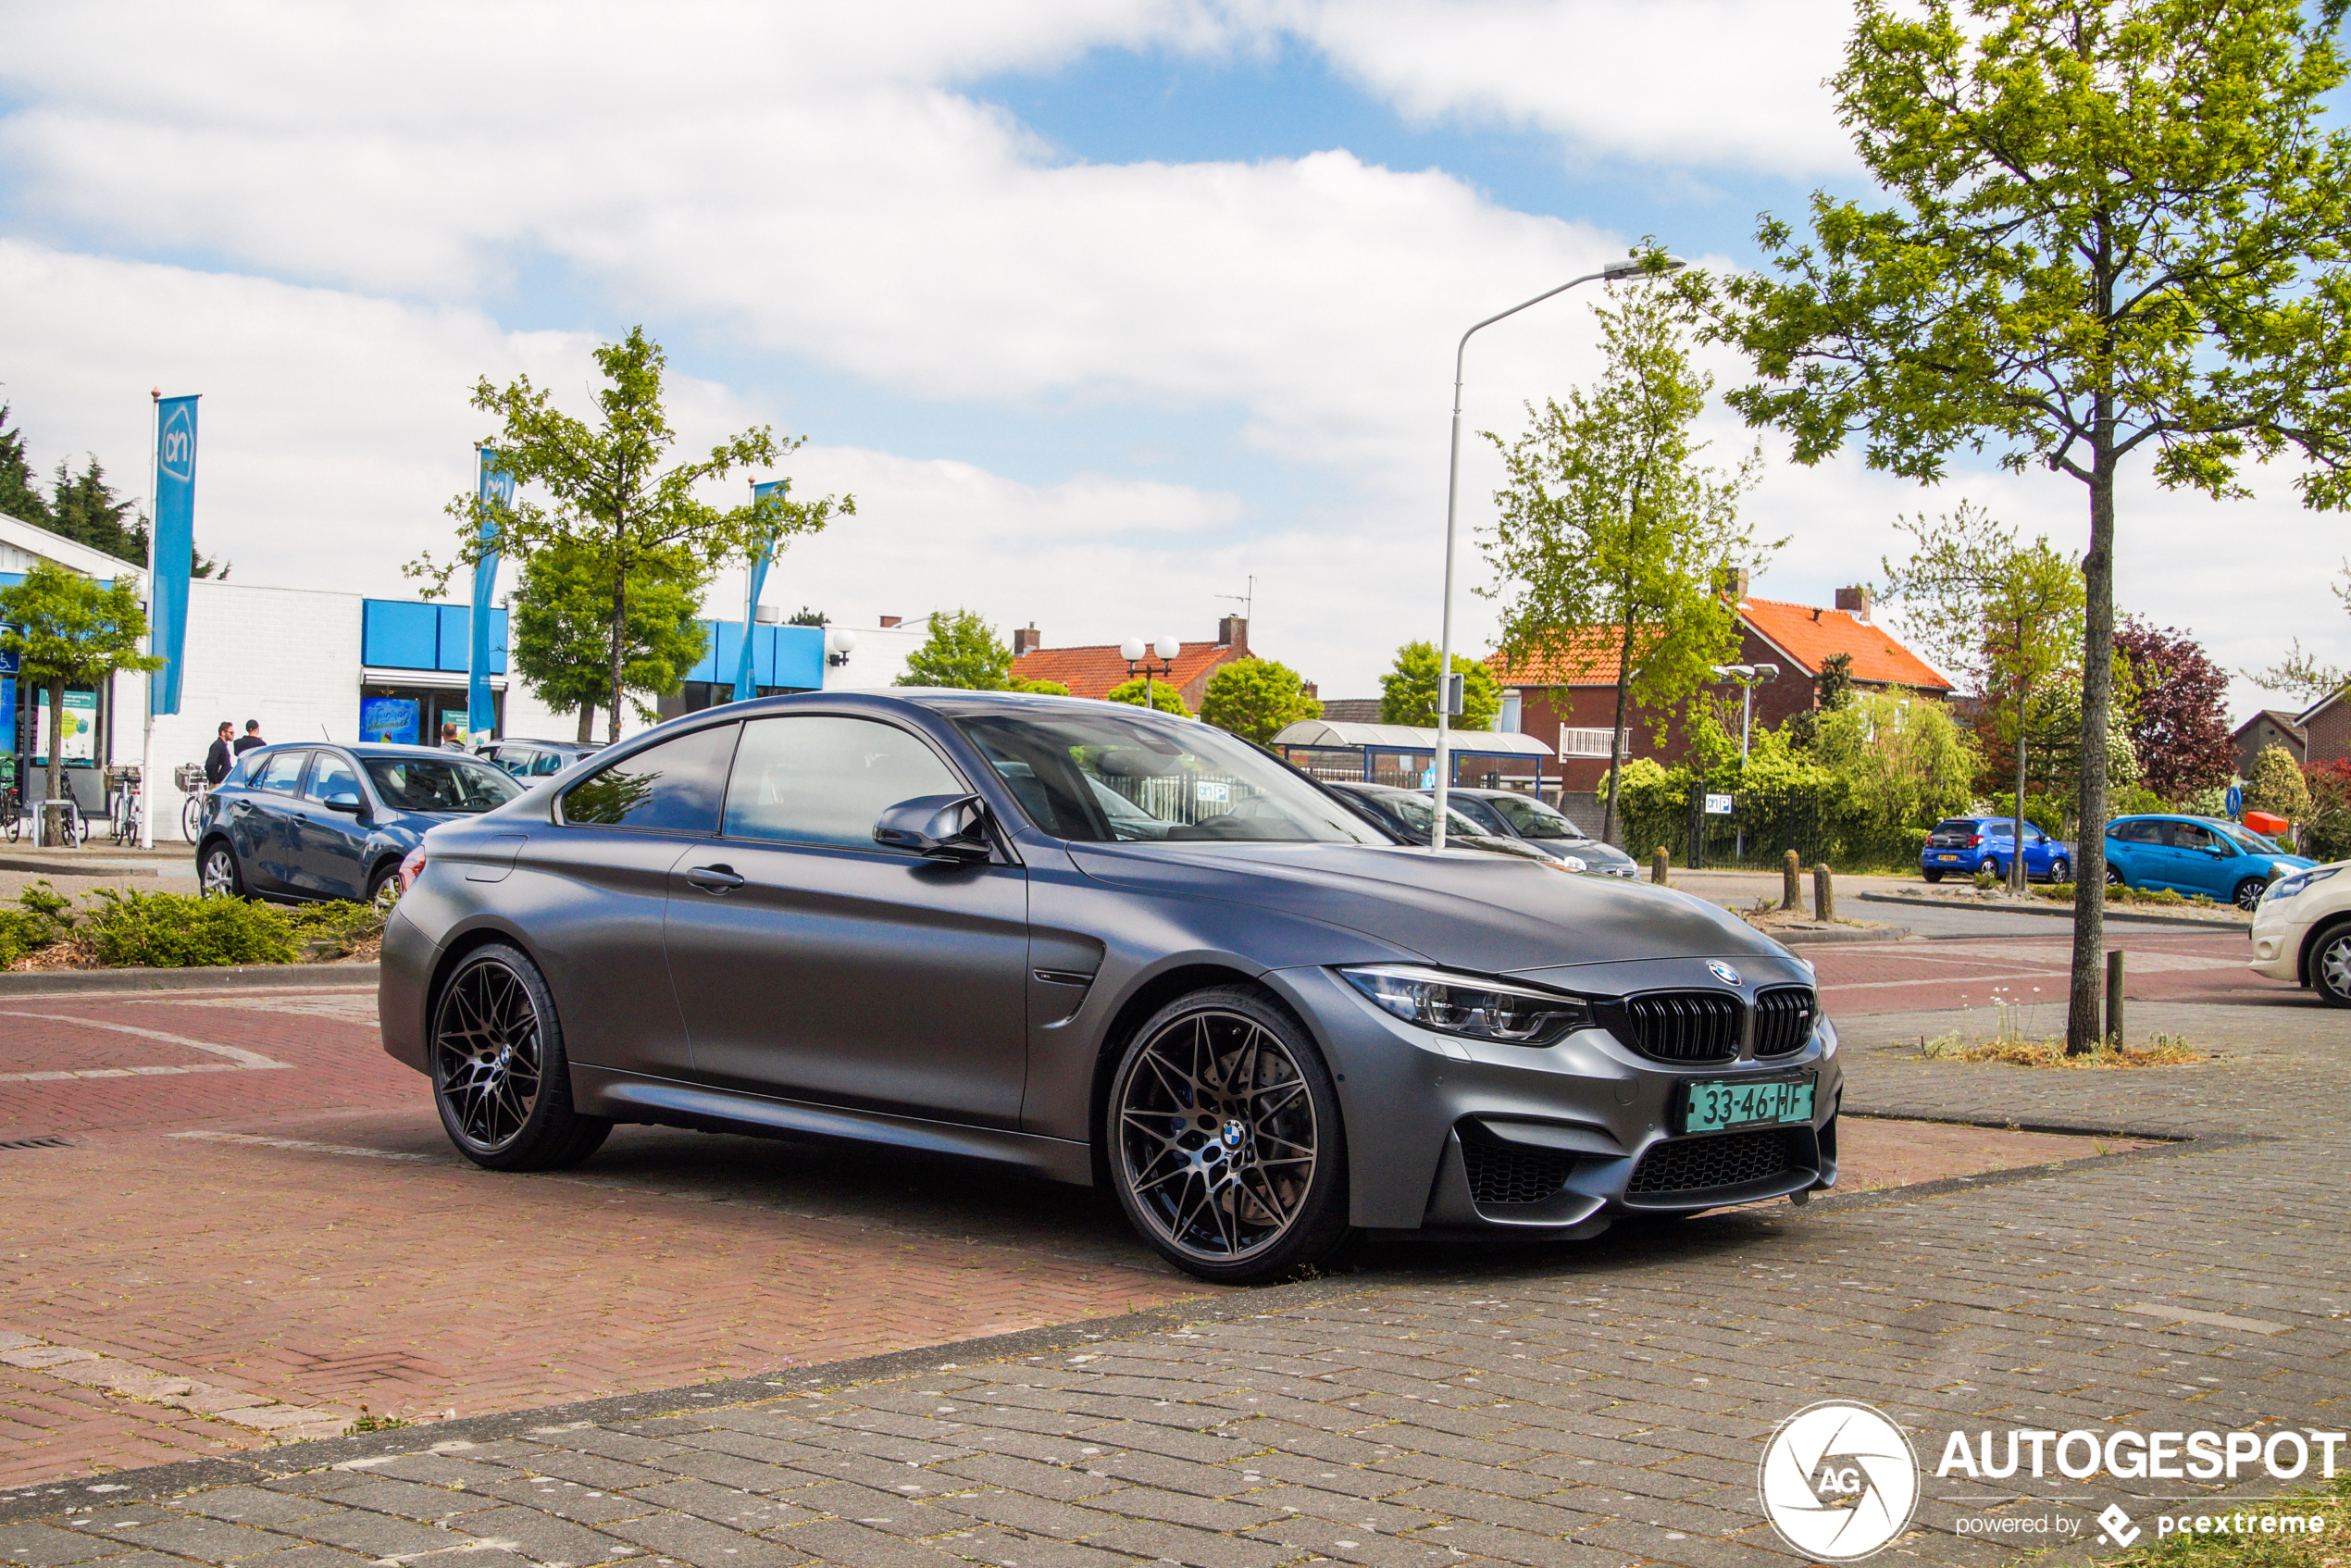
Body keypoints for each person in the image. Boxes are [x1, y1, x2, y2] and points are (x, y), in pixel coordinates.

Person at [204, 722, 235, 786]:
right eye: (231, 733)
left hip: (223, 783)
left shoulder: (223, 746)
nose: (233, 735)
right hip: (218, 784)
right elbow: (209, 765)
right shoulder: (217, 746)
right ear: (223, 733)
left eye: (233, 733)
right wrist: (215, 782)